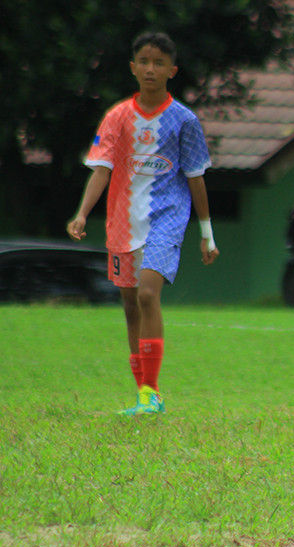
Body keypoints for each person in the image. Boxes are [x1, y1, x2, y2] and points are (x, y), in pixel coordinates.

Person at [67, 32, 218, 415]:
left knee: (148, 295)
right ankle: (143, 394)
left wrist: (206, 234)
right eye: (144, 62)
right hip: (123, 222)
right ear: (134, 68)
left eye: (159, 63)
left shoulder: (184, 121)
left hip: (167, 218)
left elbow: (196, 177)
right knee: (131, 305)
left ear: (172, 70)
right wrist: (83, 213)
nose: (151, 69)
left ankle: (151, 392)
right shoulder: (117, 117)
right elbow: (101, 170)